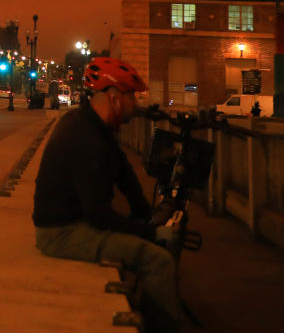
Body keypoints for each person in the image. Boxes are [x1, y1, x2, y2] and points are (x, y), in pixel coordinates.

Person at [32, 57, 180, 333]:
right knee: (158, 260)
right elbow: (99, 216)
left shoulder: (93, 126)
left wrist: (146, 215)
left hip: (75, 223)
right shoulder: (85, 138)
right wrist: (150, 233)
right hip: (60, 234)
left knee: (145, 243)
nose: (134, 105)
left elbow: (125, 175)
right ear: (113, 98)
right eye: (131, 96)